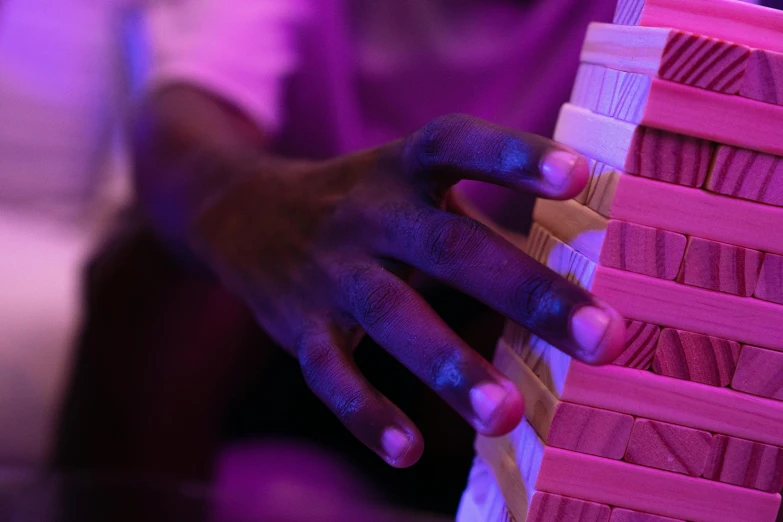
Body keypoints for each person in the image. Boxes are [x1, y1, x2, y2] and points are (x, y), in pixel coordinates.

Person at [0, 0, 763, 515]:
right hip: (256, 319)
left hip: (460, 332)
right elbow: (177, 129)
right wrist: (267, 216)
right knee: (154, 269)